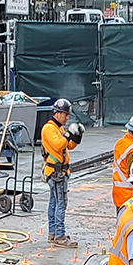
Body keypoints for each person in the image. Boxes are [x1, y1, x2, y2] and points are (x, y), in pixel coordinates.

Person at [40, 98, 82, 249]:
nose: (67, 117)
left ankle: (53, 233)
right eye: (65, 114)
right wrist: (68, 134)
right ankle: (59, 235)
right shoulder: (49, 128)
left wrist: (76, 137)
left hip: (58, 171)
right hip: (56, 172)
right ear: (57, 113)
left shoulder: (58, 128)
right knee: (60, 204)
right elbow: (59, 145)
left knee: (54, 202)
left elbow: (68, 146)